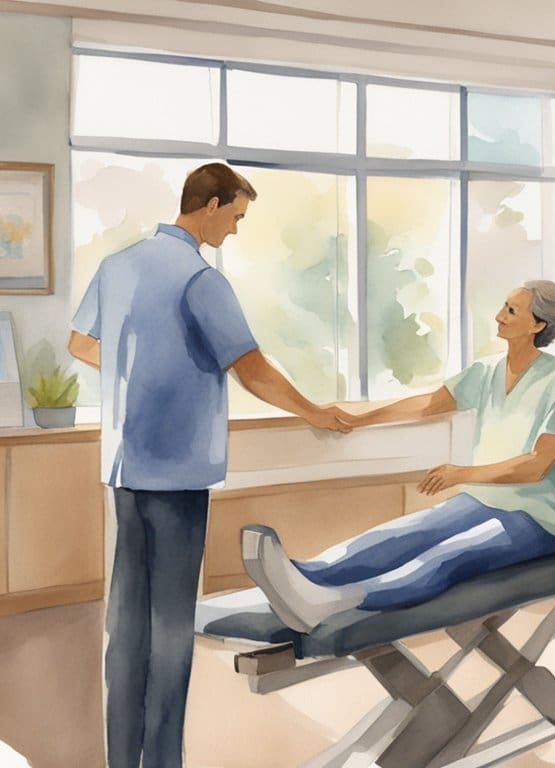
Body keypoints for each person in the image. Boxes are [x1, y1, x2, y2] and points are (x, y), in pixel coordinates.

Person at [67, 162, 352, 768]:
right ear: (213, 204)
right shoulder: (201, 279)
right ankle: (164, 761)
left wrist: (137, 377)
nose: (237, 231)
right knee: (171, 628)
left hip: (123, 469)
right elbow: (250, 369)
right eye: (237, 217)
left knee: (126, 626)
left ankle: (122, 760)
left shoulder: (117, 267)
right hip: (177, 476)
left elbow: (80, 345)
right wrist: (312, 412)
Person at [242, 279, 555, 632]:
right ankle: (301, 574)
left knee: (448, 556)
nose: (498, 316)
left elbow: (537, 465)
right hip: (485, 499)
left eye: (511, 311)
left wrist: (460, 474)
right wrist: (362, 418)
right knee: (402, 534)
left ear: (538, 325)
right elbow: (428, 404)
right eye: (503, 305)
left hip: (543, 520)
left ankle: (334, 603)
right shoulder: (487, 372)